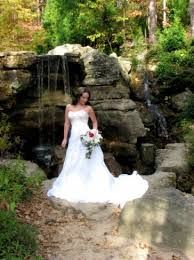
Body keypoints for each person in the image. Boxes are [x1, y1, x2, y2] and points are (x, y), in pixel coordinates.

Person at [47, 87, 148, 208]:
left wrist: (93, 133)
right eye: (83, 97)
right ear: (78, 96)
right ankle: (75, 184)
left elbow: (94, 122)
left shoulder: (88, 108)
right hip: (74, 138)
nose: (85, 100)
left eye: (87, 98)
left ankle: (92, 185)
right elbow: (67, 123)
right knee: (73, 160)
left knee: (89, 160)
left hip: (86, 136)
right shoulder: (69, 107)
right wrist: (64, 139)